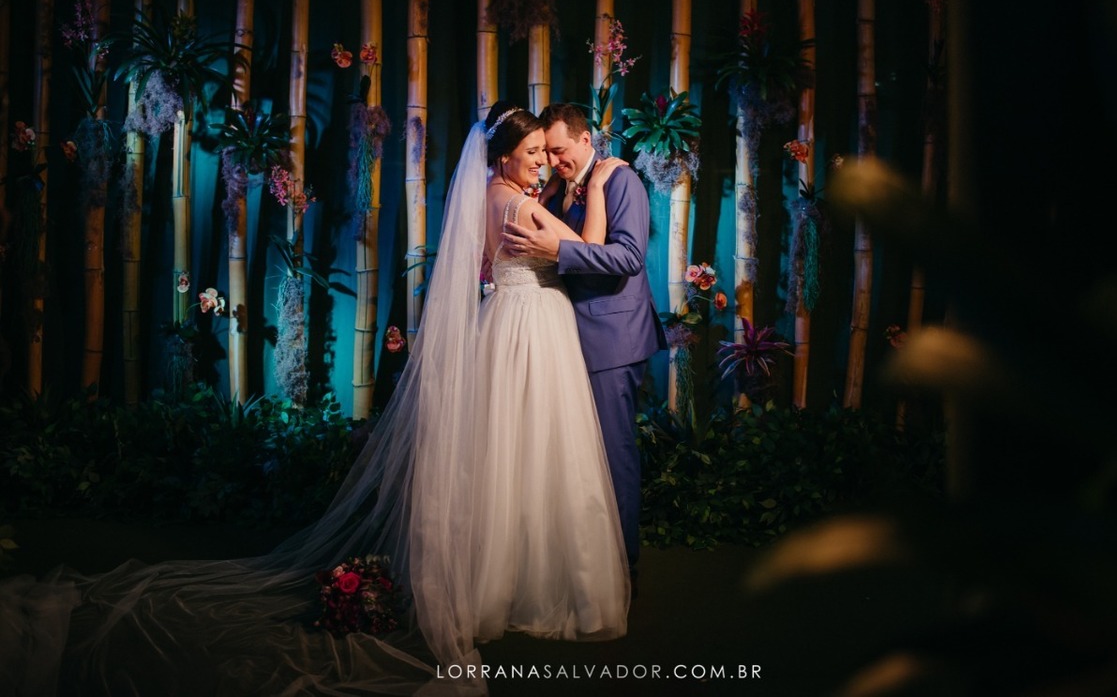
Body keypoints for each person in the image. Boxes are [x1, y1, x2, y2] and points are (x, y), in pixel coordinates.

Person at [0, 103, 630, 697]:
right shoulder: (518, 205)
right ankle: (531, 581)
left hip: (509, 324)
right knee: (533, 453)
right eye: (531, 152)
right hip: (530, 328)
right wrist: (598, 188)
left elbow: (489, 264)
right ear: (502, 157)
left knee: (509, 455)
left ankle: (501, 581)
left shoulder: (494, 198)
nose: (542, 162)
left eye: (544, 153)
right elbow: (595, 249)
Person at [502, 102, 667, 588]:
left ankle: (624, 568)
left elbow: (628, 257)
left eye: (560, 150)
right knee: (579, 457)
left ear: (585, 139)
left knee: (613, 454)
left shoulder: (619, 181)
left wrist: (559, 250)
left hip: (612, 340)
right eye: (547, 153)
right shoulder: (559, 187)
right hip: (568, 336)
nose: (554, 161)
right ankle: (588, 562)